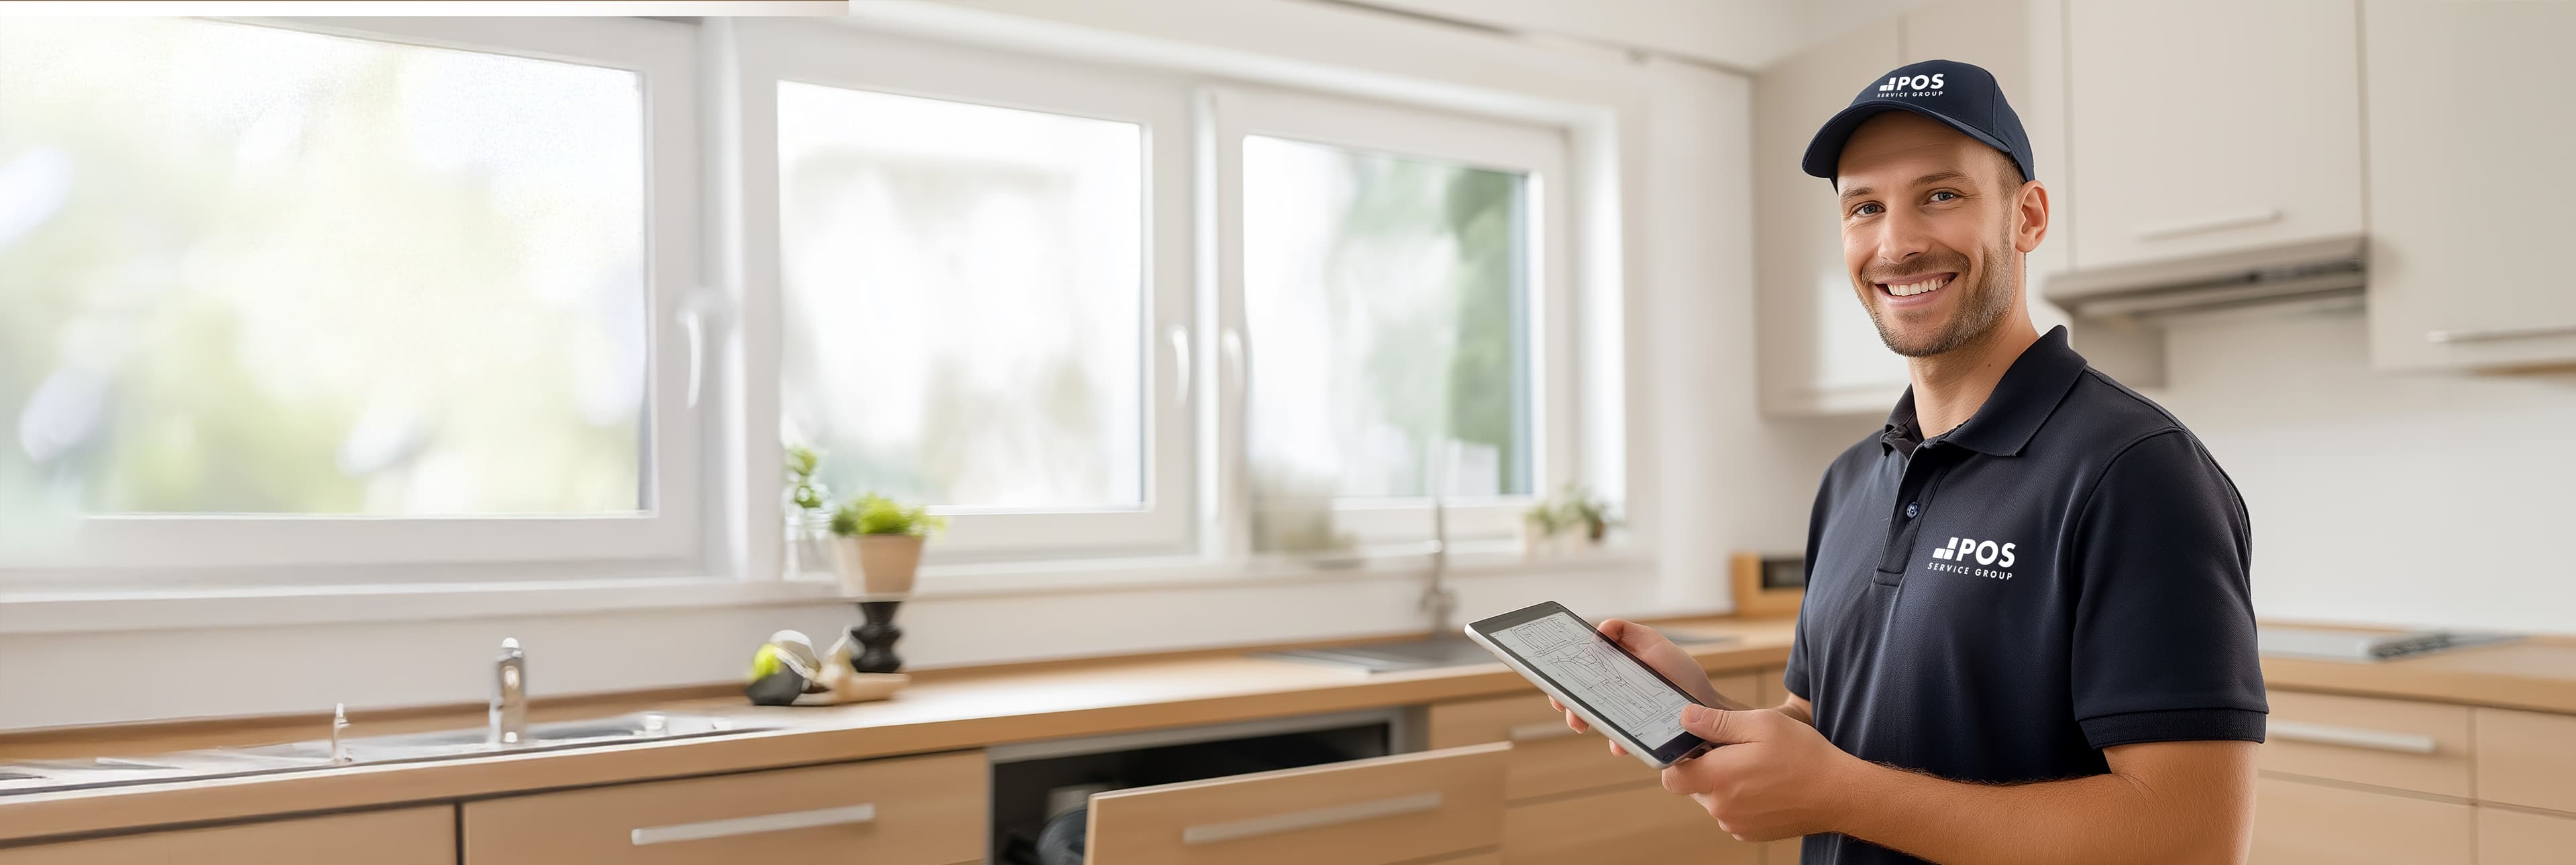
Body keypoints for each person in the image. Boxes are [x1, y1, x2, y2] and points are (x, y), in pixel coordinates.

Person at [1554, 59, 2266, 864]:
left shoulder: (2135, 473)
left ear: (2028, 217)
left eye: (1942, 195)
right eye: (1866, 207)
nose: (1896, 243)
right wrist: (1702, 713)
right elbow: (1829, 736)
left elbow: (2191, 837)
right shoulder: (1852, 480)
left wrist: (1839, 794)